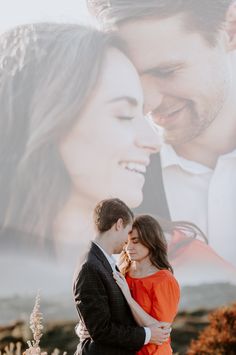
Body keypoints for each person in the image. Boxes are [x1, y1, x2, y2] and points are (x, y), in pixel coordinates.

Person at [87, 0, 236, 268]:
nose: (148, 102)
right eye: (131, 75)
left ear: (229, 29)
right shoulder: (104, 188)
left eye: (165, 71)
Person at [0, 22, 159, 264]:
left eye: (143, 115)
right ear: (46, 119)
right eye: (124, 115)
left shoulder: (181, 262)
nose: (154, 141)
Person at [73, 198, 171, 355]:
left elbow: (103, 315)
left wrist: (85, 325)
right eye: (128, 232)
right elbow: (101, 331)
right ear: (119, 224)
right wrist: (147, 334)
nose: (127, 242)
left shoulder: (104, 261)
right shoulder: (90, 266)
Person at [114, 214, 180, 355]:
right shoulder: (122, 273)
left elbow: (160, 333)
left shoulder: (164, 280)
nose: (129, 247)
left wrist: (129, 298)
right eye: (126, 242)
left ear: (150, 240)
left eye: (135, 241)